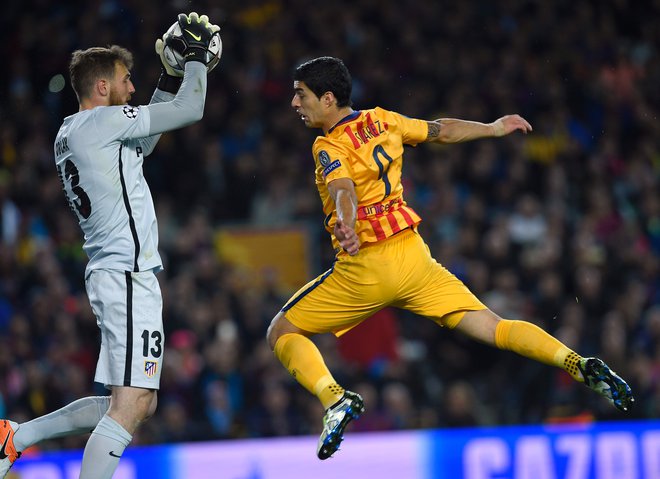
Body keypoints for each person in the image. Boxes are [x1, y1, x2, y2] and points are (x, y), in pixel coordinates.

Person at [266, 56, 635, 460]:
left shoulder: (327, 144)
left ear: (329, 98)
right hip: (415, 260)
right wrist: (493, 128)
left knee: (282, 331)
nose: (294, 104)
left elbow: (343, 190)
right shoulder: (385, 119)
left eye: (301, 95)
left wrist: (349, 224)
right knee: (496, 326)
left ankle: (334, 399)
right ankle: (574, 361)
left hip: (367, 267)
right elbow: (440, 131)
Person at [0, 12, 220, 478]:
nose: (133, 89)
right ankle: (15, 440)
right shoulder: (99, 125)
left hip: (116, 272)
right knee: (133, 403)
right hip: (125, 274)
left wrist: (170, 74)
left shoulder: (76, 131)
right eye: (127, 80)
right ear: (102, 88)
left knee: (141, 401)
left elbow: (149, 139)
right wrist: (197, 60)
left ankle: (14, 439)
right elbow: (190, 111)